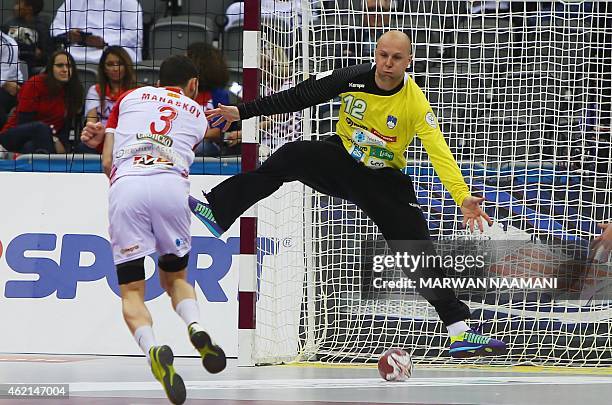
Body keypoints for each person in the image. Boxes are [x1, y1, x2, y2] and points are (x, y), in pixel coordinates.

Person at [199, 30, 507, 358]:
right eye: (383, 54)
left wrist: (462, 196)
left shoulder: (414, 102)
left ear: (409, 61)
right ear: (376, 53)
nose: (387, 63)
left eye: (396, 58)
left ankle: (459, 331)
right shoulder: (352, 77)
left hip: (383, 181)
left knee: (415, 252)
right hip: (342, 161)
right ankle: (218, 210)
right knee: (291, 156)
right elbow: (301, 95)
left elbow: (439, 151)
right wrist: (243, 112)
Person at [99, 55, 226, 405]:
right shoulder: (197, 113)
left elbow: (107, 160)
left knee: (131, 291)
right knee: (175, 278)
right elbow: (198, 136)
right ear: (194, 85)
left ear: (156, 80)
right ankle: (196, 329)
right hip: (171, 186)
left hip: (128, 186)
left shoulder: (129, 98)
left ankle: (153, 348)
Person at [0, 50, 82, 154]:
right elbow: (23, 122)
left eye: (69, 66)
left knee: (30, 148)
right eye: (60, 65)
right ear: (51, 68)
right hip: (14, 135)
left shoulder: (73, 91)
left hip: (40, 141)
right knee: (41, 127)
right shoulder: (35, 83)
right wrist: (53, 138)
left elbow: (65, 127)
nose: (65, 70)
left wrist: (61, 143)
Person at [50, 0, 143, 64]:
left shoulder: (129, 2)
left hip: (116, 49)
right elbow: (56, 27)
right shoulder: (73, 1)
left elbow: (134, 36)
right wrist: (69, 34)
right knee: (61, 59)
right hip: (78, 48)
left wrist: (105, 42)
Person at [186, 41, 231, 157]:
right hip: (185, 141)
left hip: (209, 145)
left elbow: (216, 132)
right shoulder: (186, 92)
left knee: (199, 147)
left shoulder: (219, 94)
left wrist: (189, 135)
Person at [84, 46, 137, 126]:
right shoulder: (95, 90)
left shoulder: (137, 92)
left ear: (126, 67)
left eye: (120, 64)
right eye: (110, 64)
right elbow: (91, 123)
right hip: (101, 136)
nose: (115, 69)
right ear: (104, 68)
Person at [2, 0, 51, 75]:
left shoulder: (42, 26)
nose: (14, 7)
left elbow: (46, 53)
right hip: (10, 65)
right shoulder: (9, 23)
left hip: (32, 67)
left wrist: (39, 53)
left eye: (18, 4)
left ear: (29, 8)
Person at [0, 31, 23, 129]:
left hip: (12, 86)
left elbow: (2, 78)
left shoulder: (8, 44)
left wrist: (3, 83)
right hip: (5, 84)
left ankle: (2, 138)